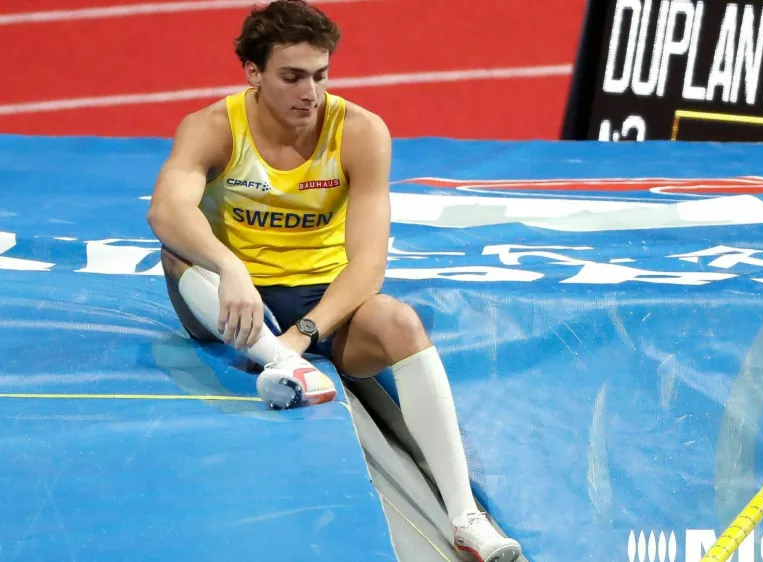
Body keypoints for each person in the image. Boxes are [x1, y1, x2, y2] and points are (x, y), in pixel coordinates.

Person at [145, 1, 522, 560]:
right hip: (229, 298)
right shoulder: (213, 128)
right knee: (178, 252)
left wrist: (303, 334)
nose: (311, 93)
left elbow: (367, 264)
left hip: (322, 302)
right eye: (292, 77)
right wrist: (230, 267)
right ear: (253, 73)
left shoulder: (360, 132)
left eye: (320, 75)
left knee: (400, 321)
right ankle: (279, 360)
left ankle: (465, 517)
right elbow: (165, 211)